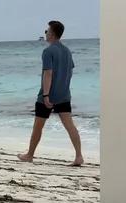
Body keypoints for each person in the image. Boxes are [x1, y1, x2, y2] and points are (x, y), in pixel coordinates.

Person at [18, 20, 84, 166]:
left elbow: (48, 73)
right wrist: (64, 87)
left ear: (52, 34)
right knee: (70, 125)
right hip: (64, 95)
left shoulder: (48, 51)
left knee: (38, 126)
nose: (45, 33)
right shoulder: (67, 51)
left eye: (47, 31)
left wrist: (46, 95)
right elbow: (70, 71)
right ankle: (79, 156)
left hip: (48, 96)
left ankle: (29, 155)